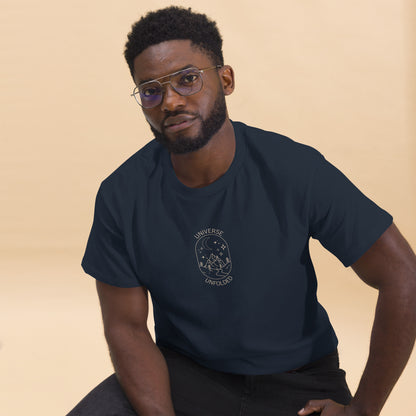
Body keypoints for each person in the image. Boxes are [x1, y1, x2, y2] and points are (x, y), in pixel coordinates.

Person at [68, 6, 416, 416]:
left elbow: (402, 275)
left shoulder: (293, 170)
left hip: (298, 382)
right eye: (150, 90)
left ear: (226, 79)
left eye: (187, 79)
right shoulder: (121, 195)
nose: (171, 101)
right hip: (185, 375)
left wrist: (363, 410)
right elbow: (125, 325)